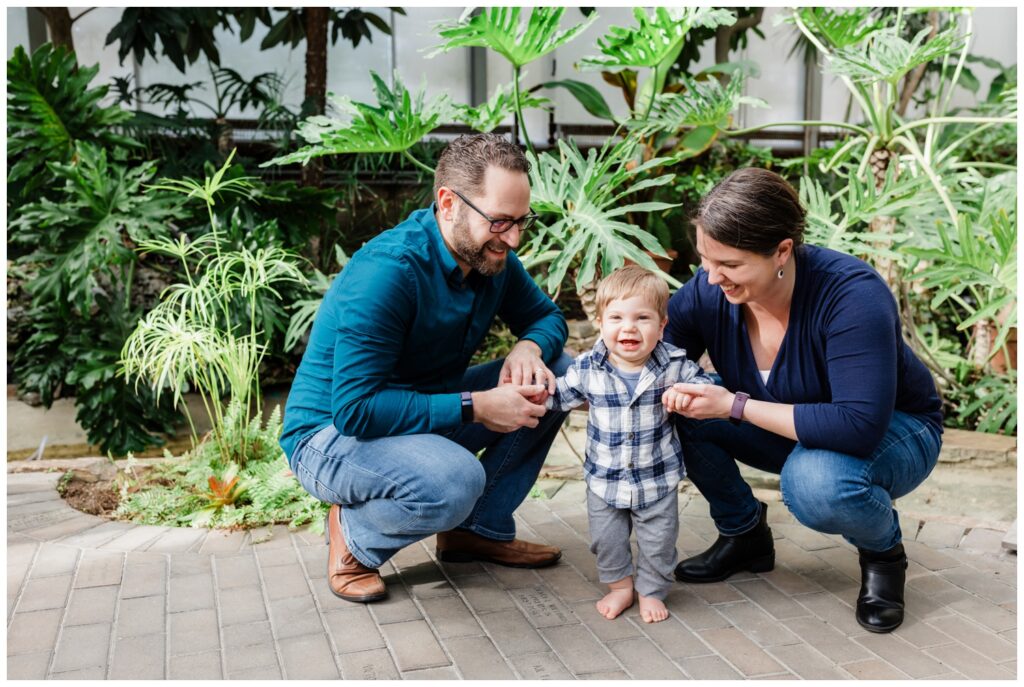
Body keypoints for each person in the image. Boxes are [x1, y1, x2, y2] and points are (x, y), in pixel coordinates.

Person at [280, 133, 572, 603]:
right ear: (448, 203)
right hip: (330, 436)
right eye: (500, 222)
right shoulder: (387, 272)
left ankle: (474, 531)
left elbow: (545, 318)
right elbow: (356, 411)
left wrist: (530, 349)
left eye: (521, 222)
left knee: (558, 369)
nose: (513, 239)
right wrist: (475, 406)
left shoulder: (489, 255)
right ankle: (354, 536)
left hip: (419, 412)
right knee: (455, 480)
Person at [660, 168, 943, 633]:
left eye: (729, 265)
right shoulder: (709, 290)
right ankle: (745, 533)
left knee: (816, 482)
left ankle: (883, 556)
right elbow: (662, 362)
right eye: (705, 260)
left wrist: (733, 405)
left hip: (894, 431)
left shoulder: (851, 296)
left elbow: (857, 426)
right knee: (680, 407)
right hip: (784, 427)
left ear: (782, 251)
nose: (710, 278)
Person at [546, 265, 712, 623]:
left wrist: (692, 396)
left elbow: (706, 390)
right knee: (606, 540)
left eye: (642, 318)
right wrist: (529, 396)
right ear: (601, 323)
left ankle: (651, 589)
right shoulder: (588, 367)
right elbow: (558, 396)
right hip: (605, 480)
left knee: (659, 542)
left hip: (657, 478)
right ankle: (620, 586)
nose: (629, 327)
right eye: (616, 317)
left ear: (661, 325)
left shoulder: (673, 364)